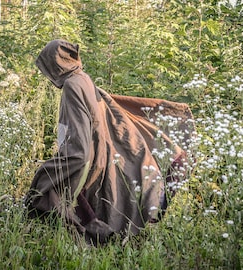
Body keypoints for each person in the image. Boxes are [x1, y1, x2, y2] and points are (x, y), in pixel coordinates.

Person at [25, 39, 195, 244]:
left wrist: (49, 172)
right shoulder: (83, 78)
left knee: (54, 194)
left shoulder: (72, 86)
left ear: (54, 64)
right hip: (100, 151)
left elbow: (78, 146)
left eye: (47, 68)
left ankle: (94, 241)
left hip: (91, 157)